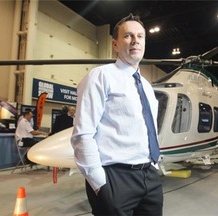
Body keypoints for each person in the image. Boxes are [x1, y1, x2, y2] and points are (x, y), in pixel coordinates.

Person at [71, 13, 163, 215]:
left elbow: (150, 130)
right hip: (115, 178)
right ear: (115, 44)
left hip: (149, 176)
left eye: (140, 36)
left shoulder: (147, 87)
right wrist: (99, 183)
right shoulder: (101, 76)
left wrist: (154, 166)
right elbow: (82, 134)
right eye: (128, 36)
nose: (135, 41)